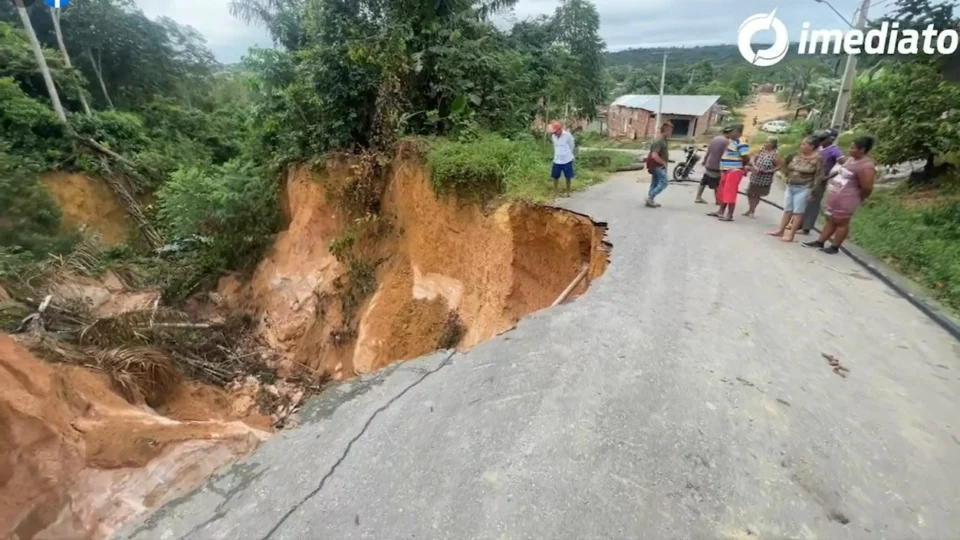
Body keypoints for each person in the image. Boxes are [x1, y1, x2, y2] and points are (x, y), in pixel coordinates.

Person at [803, 136, 877, 254]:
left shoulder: (866, 166)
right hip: (836, 194)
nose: (849, 149)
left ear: (862, 150)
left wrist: (860, 198)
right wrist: (827, 178)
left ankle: (835, 246)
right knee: (831, 219)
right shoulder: (851, 159)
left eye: (853, 148)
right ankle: (820, 241)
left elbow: (867, 187)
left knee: (841, 222)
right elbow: (841, 170)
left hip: (848, 198)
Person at [767, 137, 824, 242]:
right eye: (802, 144)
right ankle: (780, 230)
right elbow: (786, 165)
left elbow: (819, 176)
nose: (802, 146)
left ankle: (791, 235)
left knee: (798, 212)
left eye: (805, 144)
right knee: (787, 209)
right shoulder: (796, 155)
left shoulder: (818, 159)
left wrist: (813, 191)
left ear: (812, 147)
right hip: (791, 185)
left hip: (804, 187)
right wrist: (786, 176)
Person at [800, 128, 844, 235]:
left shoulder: (835, 150)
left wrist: (828, 177)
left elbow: (844, 164)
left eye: (825, 138)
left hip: (819, 180)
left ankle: (806, 226)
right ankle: (797, 223)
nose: (821, 139)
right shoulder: (818, 146)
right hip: (808, 177)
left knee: (812, 203)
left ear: (831, 139)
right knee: (802, 200)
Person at [709, 124, 749, 221]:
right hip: (727, 170)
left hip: (734, 171)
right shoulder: (732, 141)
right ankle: (720, 211)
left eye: (730, 132)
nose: (729, 134)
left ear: (736, 131)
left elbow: (746, 157)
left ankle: (729, 215)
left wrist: (741, 167)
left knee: (730, 193)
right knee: (723, 192)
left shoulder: (741, 142)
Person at [743, 138, 782, 218]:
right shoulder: (762, 150)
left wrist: (769, 171)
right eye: (765, 141)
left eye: (767, 142)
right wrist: (754, 165)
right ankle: (751, 208)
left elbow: (779, 166)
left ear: (773, 144)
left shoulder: (775, 154)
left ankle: (752, 210)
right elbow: (753, 158)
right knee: (749, 192)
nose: (765, 143)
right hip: (755, 175)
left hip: (764, 178)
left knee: (757, 194)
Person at [695, 131, 729, 204]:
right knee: (716, 183)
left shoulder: (715, 139)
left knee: (704, 181)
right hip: (717, 165)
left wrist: (705, 160)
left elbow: (708, 151)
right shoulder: (726, 142)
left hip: (709, 163)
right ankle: (718, 200)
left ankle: (698, 197)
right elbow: (725, 155)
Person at [645, 122, 673, 208]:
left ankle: (651, 200)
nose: (671, 133)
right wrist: (663, 162)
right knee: (664, 183)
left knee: (655, 183)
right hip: (658, 166)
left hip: (658, 166)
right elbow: (654, 155)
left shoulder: (664, 140)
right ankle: (650, 197)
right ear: (666, 130)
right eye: (670, 130)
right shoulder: (659, 141)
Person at [550, 121, 576, 198]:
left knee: (568, 176)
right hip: (557, 159)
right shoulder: (553, 136)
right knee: (555, 176)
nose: (555, 133)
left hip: (566, 159)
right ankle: (555, 191)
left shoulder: (567, 135)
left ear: (560, 129)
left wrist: (570, 155)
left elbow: (572, 145)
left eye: (556, 131)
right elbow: (555, 146)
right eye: (554, 132)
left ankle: (568, 191)